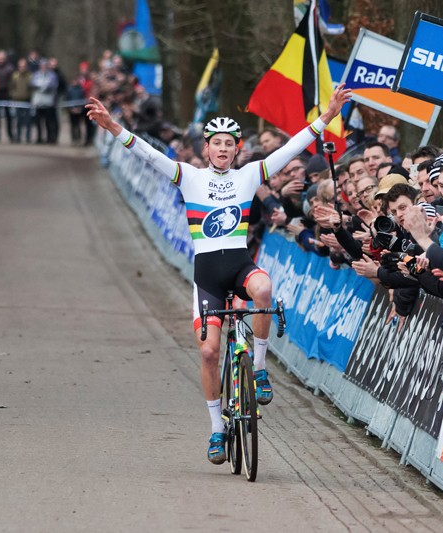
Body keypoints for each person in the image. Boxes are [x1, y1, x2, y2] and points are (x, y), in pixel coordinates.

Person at [87, 83, 352, 465]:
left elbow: (289, 148)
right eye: (217, 143)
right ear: (207, 148)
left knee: (264, 289)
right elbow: (147, 154)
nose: (223, 149)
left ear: (237, 148)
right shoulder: (189, 176)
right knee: (210, 351)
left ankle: (258, 369)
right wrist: (113, 126)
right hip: (208, 275)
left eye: (230, 143)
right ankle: (215, 429)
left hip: (240, 266)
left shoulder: (249, 175)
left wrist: (326, 117)